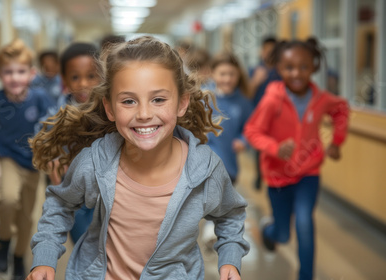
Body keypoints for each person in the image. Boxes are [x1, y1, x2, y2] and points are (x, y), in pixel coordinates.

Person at [27, 36, 249, 280]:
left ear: (182, 103)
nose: (144, 114)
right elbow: (60, 204)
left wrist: (230, 259)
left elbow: (230, 214)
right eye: (129, 101)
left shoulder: (205, 170)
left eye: (158, 99)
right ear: (110, 108)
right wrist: (44, 259)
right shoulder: (94, 163)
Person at [244, 38, 349, 280]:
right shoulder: (272, 100)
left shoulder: (321, 98)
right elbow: (252, 131)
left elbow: (341, 109)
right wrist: (274, 147)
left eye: (303, 67)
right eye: (289, 67)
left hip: (308, 174)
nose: (297, 73)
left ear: (314, 67)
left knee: (304, 222)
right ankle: (269, 232)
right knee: (283, 235)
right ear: (278, 69)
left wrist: (336, 142)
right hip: (278, 177)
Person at [0, 38, 52, 279]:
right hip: (7, 157)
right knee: (8, 199)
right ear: (0, 74)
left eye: (20, 72)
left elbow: (50, 122)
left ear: (31, 73)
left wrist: (45, 142)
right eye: (8, 72)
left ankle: (20, 256)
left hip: (33, 163)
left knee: (26, 216)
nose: (14, 78)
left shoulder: (39, 97)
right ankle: (3, 240)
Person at [38, 42, 101, 243]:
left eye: (91, 76)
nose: (83, 83)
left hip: (106, 193)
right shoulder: (56, 114)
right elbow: (43, 141)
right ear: (64, 79)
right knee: (83, 244)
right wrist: (53, 166)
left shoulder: (112, 111)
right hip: (73, 192)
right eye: (75, 77)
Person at [207, 52, 253, 184]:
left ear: (238, 75)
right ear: (213, 74)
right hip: (204, 168)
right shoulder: (203, 98)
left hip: (229, 168)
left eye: (232, 74)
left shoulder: (243, 102)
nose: (227, 79)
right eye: (222, 74)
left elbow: (250, 128)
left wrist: (243, 141)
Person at [249, 36, 281, 190]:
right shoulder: (255, 71)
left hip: (277, 121)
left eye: (272, 51)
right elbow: (247, 94)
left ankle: (271, 176)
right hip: (259, 120)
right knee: (259, 149)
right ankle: (260, 175)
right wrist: (255, 81)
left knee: (273, 148)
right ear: (261, 52)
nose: (269, 54)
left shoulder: (281, 72)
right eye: (266, 51)